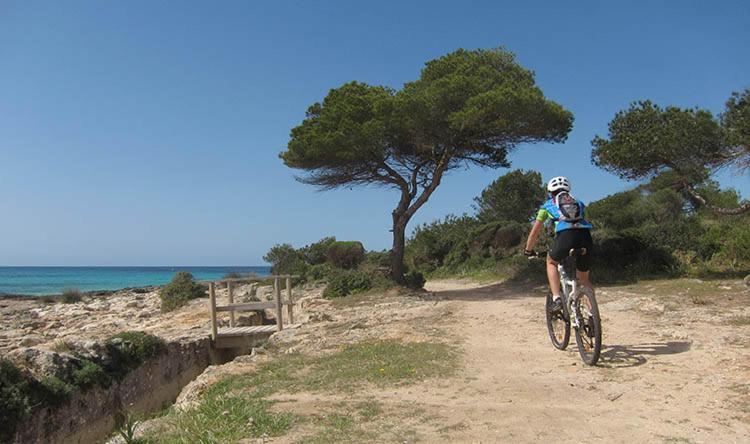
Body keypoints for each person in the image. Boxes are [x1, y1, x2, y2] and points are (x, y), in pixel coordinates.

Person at [524, 176, 594, 313]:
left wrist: (528, 250)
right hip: (585, 237)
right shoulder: (579, 202)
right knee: (584, 280)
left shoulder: (547, 205)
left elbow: (534, 233)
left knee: (551, 262)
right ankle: (592, 315)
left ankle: (556, 298)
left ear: (550, 192)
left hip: (565, 237)